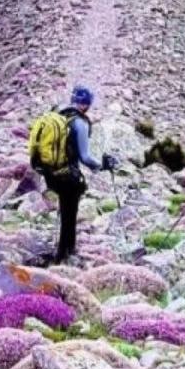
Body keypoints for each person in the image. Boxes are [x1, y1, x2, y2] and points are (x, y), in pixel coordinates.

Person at [42, 85, 117, 264]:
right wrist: (102, 166)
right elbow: (85, 157)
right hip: (69, 174)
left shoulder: (60, 116)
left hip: (51, 173)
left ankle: (62, 251)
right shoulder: (80, 123)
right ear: (86, 104)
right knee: (71, 212)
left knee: (65, 209)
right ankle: (66, 253)